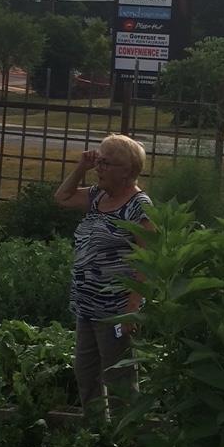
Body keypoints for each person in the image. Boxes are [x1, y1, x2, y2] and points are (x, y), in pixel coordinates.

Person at [55, 133, 152, 411]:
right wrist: (81, 167)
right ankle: (96, 430)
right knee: (86, 374)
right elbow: (62, 197)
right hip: (87, 305)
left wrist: (132, 308)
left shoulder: (139, 206)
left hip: (116, 309)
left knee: (119, 379)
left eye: (106, 163)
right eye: (99, 161)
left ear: (127, 171)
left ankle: (125, 432)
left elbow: (148, 258)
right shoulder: (98, 196)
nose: (99, 168)